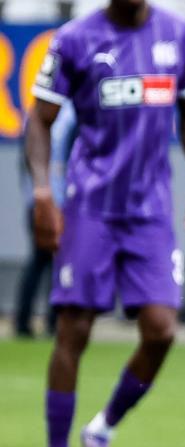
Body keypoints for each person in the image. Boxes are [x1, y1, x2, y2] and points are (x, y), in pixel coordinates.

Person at [26, 0, 185, 447]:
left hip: (150, 210)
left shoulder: (180, 34)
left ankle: (102, 429)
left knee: (161, 329)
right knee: (75, 327)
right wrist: (44, 193)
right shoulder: (74, 39)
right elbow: (39, 120)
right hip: (90, 207)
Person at [14, 102, 75, 338]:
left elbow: (26, 161)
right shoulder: (71, 113)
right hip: (55, 202)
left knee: (45, 262)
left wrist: (32, 196)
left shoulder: (34, 114)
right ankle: (49, 322)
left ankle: (31, 320)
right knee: (51, 262)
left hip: (41, 201)